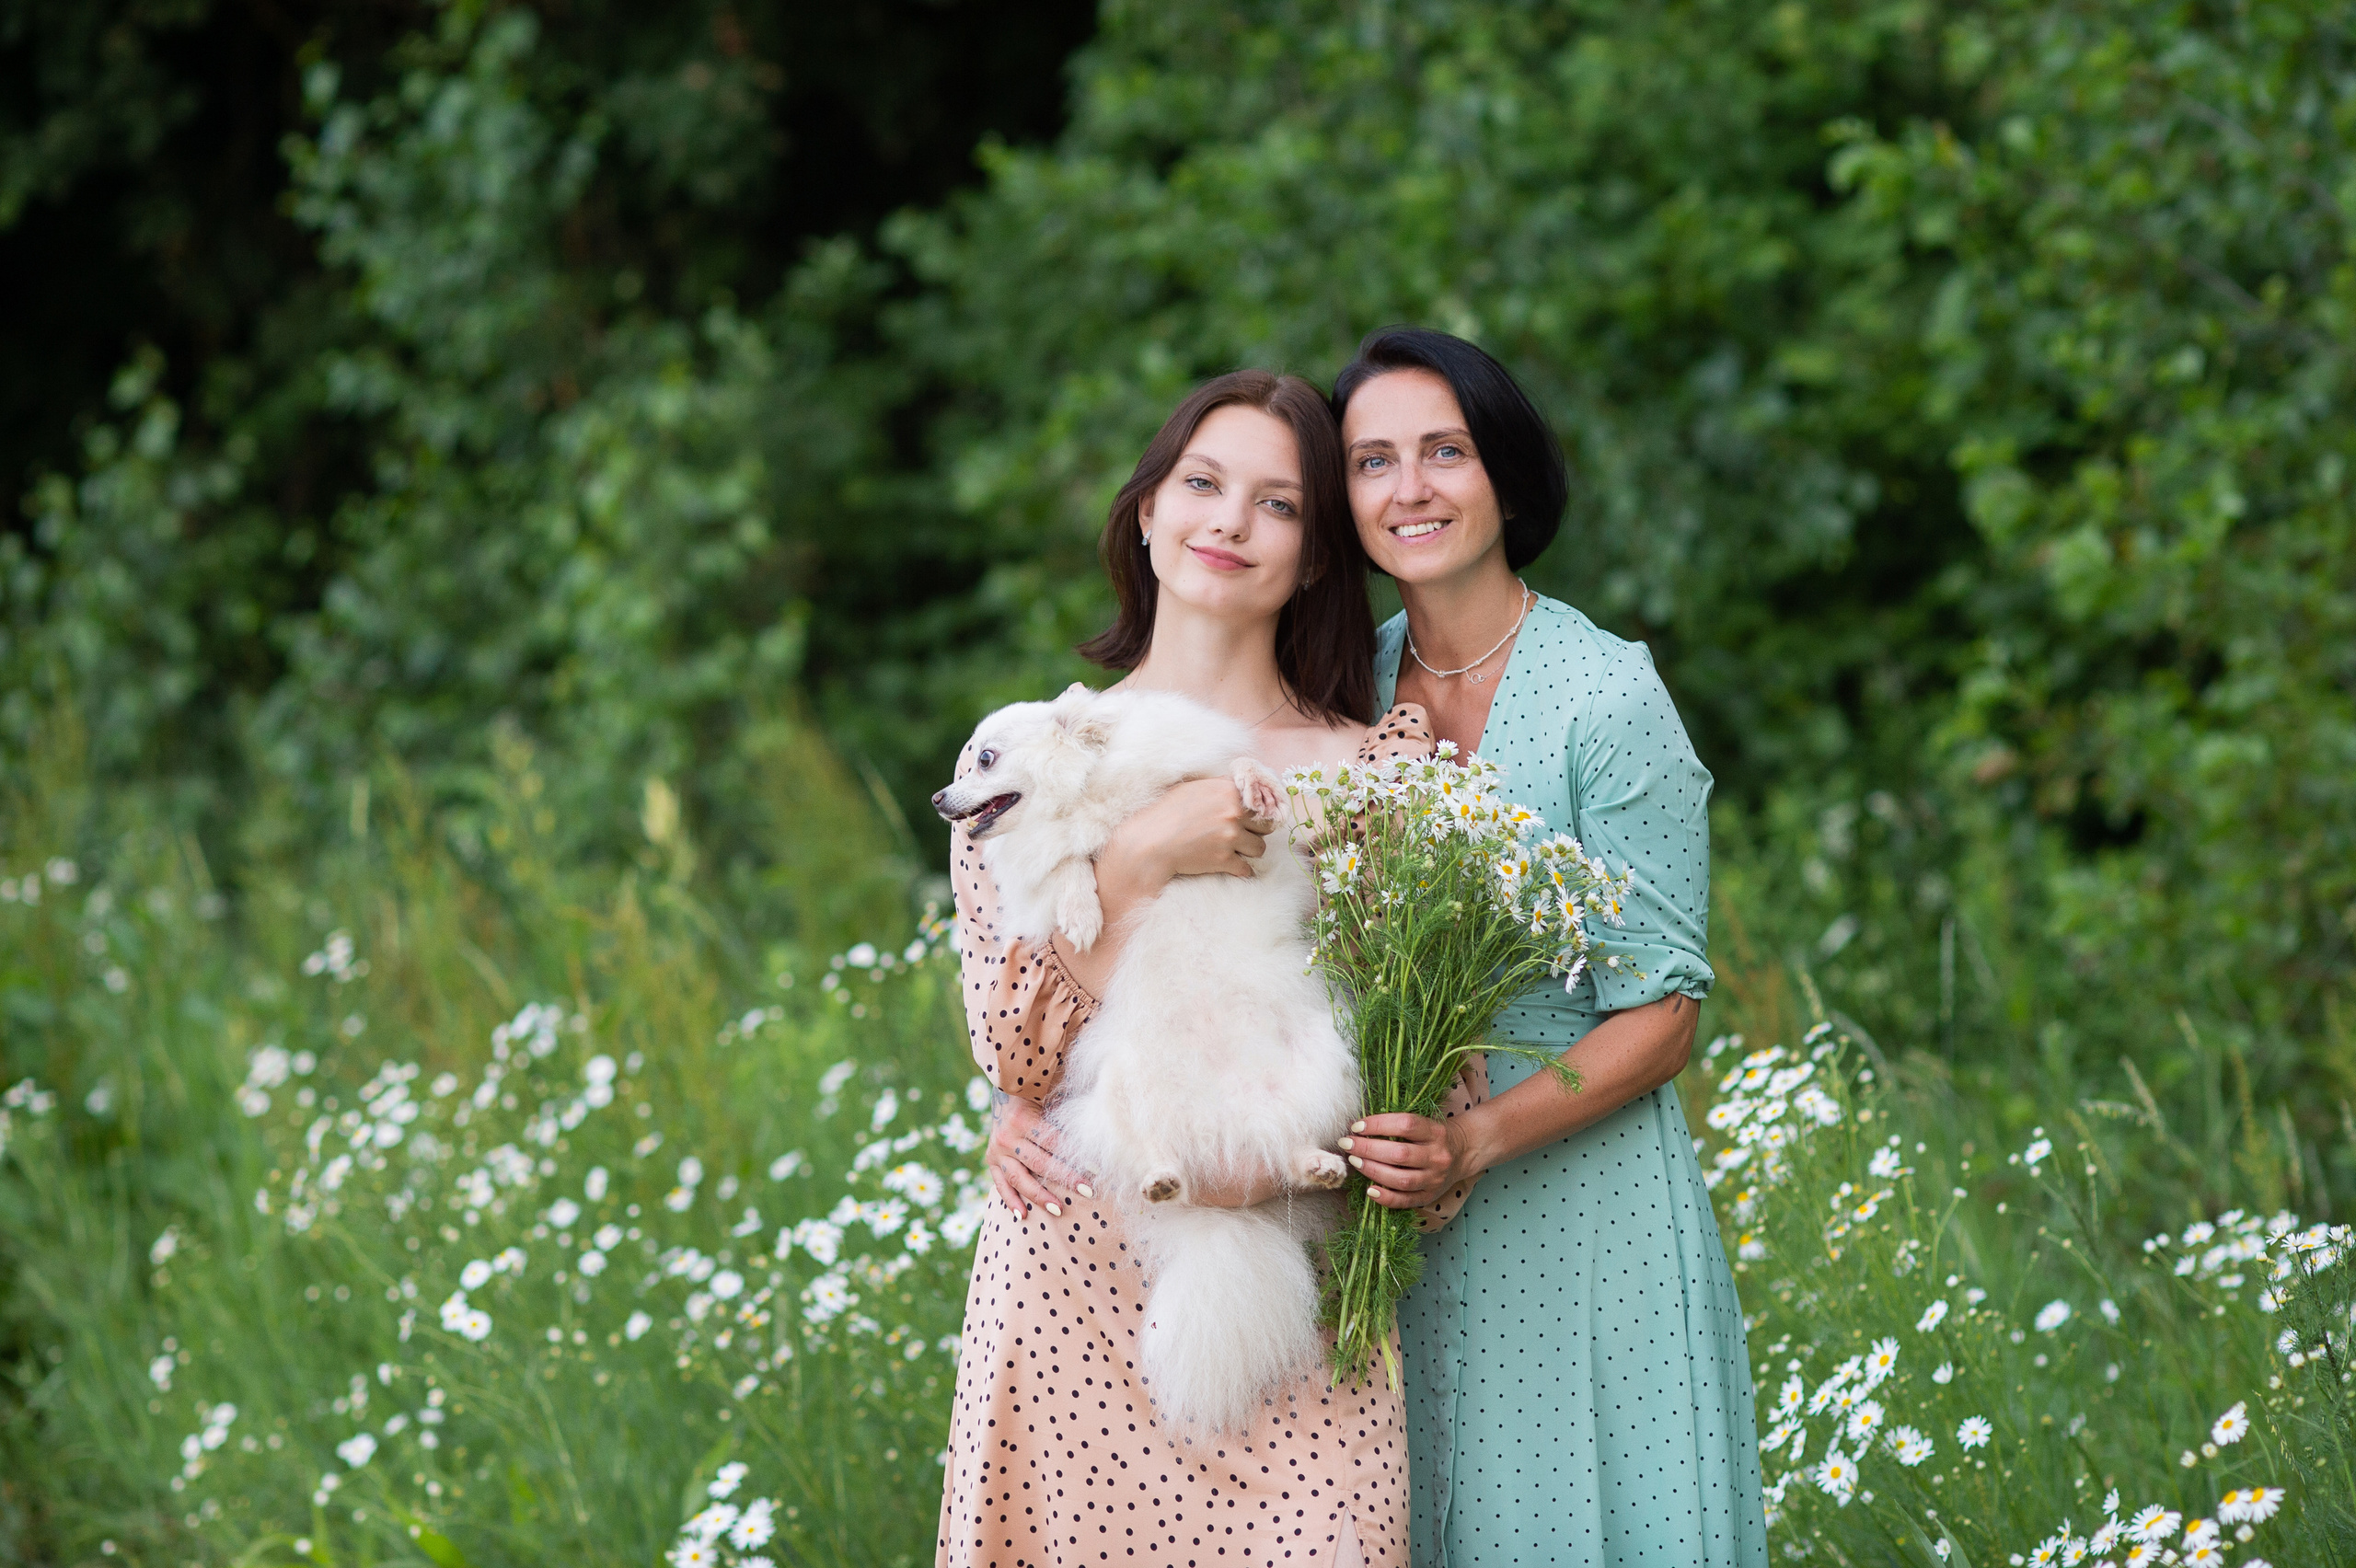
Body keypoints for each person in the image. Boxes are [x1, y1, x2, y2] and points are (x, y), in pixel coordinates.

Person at [936, 369, 1442, 1568]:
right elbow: (1014, 1053)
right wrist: (1143, 858)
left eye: (1276, 504)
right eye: (1202, 485)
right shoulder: (1020, 755)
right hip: (1076, 1283)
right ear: (1148, 513)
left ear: (1317, 554)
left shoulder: (1386, 780)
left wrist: (1400, 1153)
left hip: (1299, 1308)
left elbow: (1432, 1086)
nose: (1228, 522)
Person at [1329, 327, 1768, 1565]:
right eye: (1372, 461)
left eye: (1443, 452)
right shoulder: (1340, 696)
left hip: (1582, 1208)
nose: (1409, 488)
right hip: (1392, 1230)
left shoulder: (1605, 698)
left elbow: (1665, 1013)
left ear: (1506, 477)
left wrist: (1475, 1139)